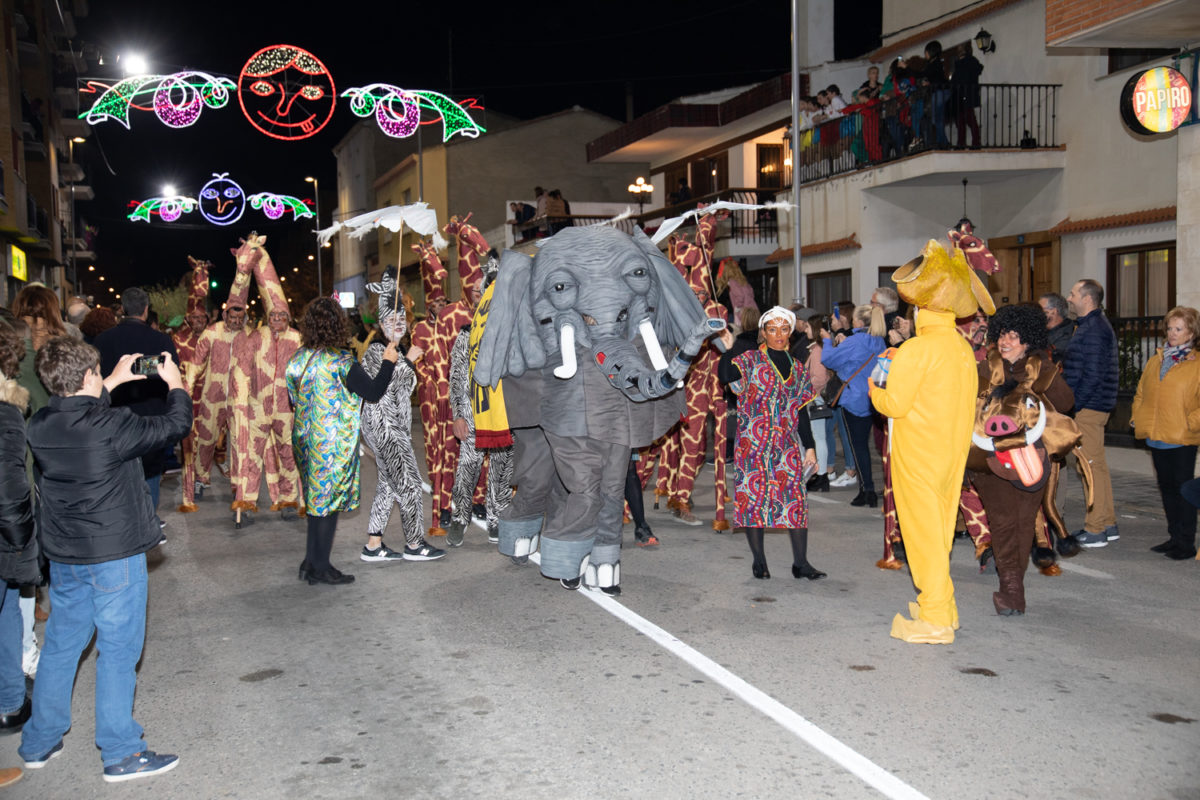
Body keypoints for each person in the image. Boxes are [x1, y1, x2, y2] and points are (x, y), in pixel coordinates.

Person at [20, 336, 190, 782]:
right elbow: (175, 426)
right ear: (88, 377)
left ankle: (40, 741)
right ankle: (121, 752)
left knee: (60, 645)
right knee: (118, 651)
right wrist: (175, 385)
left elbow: (76, 412)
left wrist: (112, 380)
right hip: (114, 555)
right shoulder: (114, 426)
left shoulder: (38, 425)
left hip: (66, 557)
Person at [968, 305, 1074, 615]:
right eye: (1002, 334)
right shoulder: (985, 369)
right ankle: (1011, 588)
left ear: (1028, 339)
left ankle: (1013, 587)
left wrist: (1046, 378)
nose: (1005, 341)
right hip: (989, 461)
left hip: (1033, 460)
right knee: (1002, 522)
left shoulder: (1040, 367)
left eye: (1014, 336)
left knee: (1024, 523)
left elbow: (1067, 402)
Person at [288, 298, 398, 586]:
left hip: (303, 439)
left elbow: (292, 399)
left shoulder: (297, 359)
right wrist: (388, 363)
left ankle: (311, 560)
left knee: (315, 501)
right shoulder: (341, 362)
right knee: (328, 503)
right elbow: (373, 392)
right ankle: (320, 566)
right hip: (331, 444)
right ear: (338, 325)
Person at [718, 306, 824, 581]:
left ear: (790, 332)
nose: (779, 334)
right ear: (763, 333)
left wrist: (809, 447)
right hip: (752, 446)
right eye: (772, 329)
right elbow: (726, 376)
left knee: (796, 502)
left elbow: (801, 411)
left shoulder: (798, 368)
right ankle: (759, 561)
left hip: (786, 446)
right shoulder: (750, 360)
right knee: (755, 502)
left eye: (784, 329)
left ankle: (800, 563)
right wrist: (729, 348)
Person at [360, 269, 444, 561]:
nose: (398, 325)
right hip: (384, 428)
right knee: (407, 483)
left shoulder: (397, 348)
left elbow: (403, 392)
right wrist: (407, 362)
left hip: (396, 427)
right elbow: (381, 388)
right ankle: (414, 544)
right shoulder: (376, 350)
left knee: (387, 483)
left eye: (402, 320)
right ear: (381, 324)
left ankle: (373, 544)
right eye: (391, 321)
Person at [94, 287, 180, 514]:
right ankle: (148, 520)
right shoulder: (160, 340)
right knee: (150, 471)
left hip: (113, 419)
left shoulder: (102, 341)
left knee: (116, 472)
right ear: (146, 309)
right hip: (151, 419)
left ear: (122, 309)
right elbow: (171, 375)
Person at [0, 320, 42, 789]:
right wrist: (22, 545)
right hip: (2, 533)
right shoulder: (6, 411)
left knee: (9, 610)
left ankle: (12, 699)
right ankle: (10, 701)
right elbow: (9, 489)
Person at [1131, 306, 1200, 560]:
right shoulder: (1156, 359)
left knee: (1184, 490)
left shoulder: (1196, 363)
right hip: (1156, 435)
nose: (1172, 333)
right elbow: (1141, 392)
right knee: (1167, 488)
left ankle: (1186, 542)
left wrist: (1190, 422)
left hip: (1181, 437)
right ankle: (1173, 537)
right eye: (1170, 328)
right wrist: (1137, 417)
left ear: (1191, 332)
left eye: (1178, 329)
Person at [1063, 279, 1119, 547]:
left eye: (1073, 294)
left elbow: (1093, 374)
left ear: (1087, 299)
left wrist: (1076, 405)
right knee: (1098, 467)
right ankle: (1107, 523)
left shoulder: (1094, 329)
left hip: (1089, 406)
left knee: (1089, 468)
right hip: (1093, 404)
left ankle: (1095, 529)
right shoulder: (1090, 326)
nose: (1069, 298)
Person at [820, 304, 887, 506]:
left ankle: (866, 490)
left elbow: (829, 360)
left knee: (857, 447)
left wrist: (826, 340)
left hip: (853, 399)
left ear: (857, 321)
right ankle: (868, 489)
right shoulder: (879, 342)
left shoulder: (855, 341)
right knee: (866, 446)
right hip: (873, 397)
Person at [950, 42, 983, 149]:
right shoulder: (966, 62)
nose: (959, 51)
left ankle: (972, 143)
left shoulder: (966, 63)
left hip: (964, 94)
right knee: (963, 120)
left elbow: (961, 79)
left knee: (967, 119)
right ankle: (966, 142)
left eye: (960, 49)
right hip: (964, 94)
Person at [1039, 292, 1075, 366]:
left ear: (1053, 312)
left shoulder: (1067, 335)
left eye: (1040, 309)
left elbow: (1050, 361)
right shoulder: (1043, 329)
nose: (1038, 313)